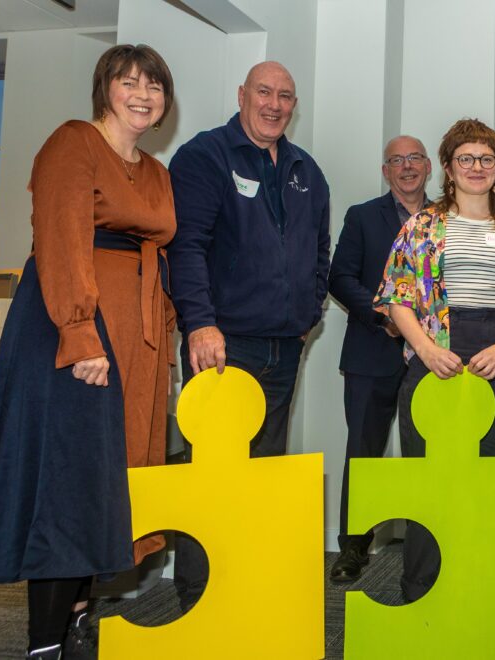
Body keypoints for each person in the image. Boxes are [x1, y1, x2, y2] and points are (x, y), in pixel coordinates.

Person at [0, 44, 175, 660]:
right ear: (105, 89)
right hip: (75, 331)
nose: (143, 95)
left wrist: (161, 341)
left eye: (154, 85)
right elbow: (61, 238)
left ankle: (76, 623)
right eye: (130, 82)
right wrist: (80, 336)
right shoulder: (73, 142)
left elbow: (160, 257)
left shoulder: (156, 171)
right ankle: (43, 643)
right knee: (67, 486)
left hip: (135, 337)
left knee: (106, 487)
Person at [167, 61, 331, 611]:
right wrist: (199, 322)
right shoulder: (205, 155)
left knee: (262, 471)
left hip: (284, 349)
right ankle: (199, 598)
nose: (274, 104)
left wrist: (307, 316)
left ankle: (245, 589)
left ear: (294, 106)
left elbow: (320, 251)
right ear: (242, 94)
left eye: (285, 96)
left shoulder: (307, 169)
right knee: (213, 474)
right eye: (264, 91)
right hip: (222, 345)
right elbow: (186, 246)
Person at [374, 118, 495, 602]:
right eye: (465, 158)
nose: (476, 167)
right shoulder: (421, 226)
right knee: (433, 482)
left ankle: (488, 591)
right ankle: (423, 590)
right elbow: (396, 297)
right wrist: (427, 349)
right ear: (448, 168)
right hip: (435, 359)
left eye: (486, 159)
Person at [328, 135, 432, 582]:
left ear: (429, 166)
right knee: (363, 453)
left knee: (427, 455)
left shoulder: (447, 218)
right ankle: (353, 547)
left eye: (414, 158)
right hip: (372, 351)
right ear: (385, 170)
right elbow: (340, 278)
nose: (406, 166)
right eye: (396, 160)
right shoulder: (362, 216)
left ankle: (429, 545)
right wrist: (383, 315)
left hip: (431, 357)